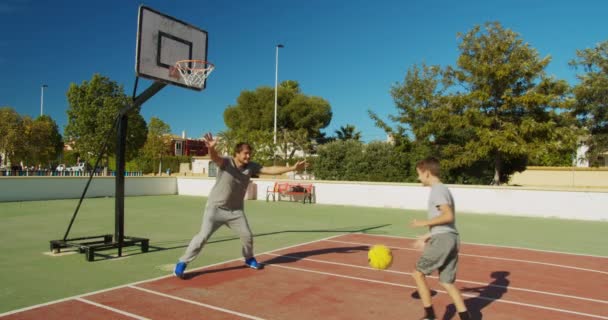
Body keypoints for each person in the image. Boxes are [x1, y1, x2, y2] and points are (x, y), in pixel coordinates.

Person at [174, 132, 307, 279]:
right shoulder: (226, 162)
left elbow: (269, 169)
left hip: (235, 211)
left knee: (247, 236)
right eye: (245, 154)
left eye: (249, 154)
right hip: (215, 209)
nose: (248, 157)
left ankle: (249, 258)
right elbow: (214, 158)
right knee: (202, 238)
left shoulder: (251, 167)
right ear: (236, 154)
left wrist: (292, 168)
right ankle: (182, 263)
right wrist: (211, 148)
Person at [409, 157, 470, 320]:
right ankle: (466, 317)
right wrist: (427, 235)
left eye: (419, 174)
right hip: (450, 238)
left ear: (427, 173)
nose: (418, 178)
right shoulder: (443, 189)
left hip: (443, 240)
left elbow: (448, 216)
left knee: (417, 273)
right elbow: (446, 222)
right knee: (446, 282)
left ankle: (430, 315)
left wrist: (423, 223)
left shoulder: (437, 190)